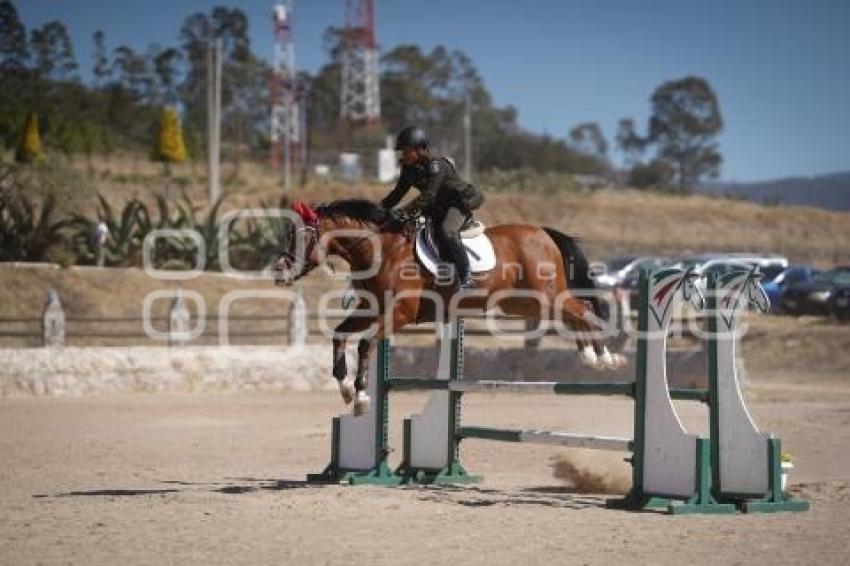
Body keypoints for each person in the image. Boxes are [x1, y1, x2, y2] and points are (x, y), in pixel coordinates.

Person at [380, 125, 484, 290]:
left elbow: (429, 195)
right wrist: (378, 209)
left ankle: (466, 276)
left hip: (460, 202)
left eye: (407, 151)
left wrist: (404, 211)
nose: (403, 155)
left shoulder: (437, 165)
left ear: (419, 149)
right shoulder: (409, 168)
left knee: (447, 230)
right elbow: (398, 193)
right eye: (402, 151)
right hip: (437, 205)